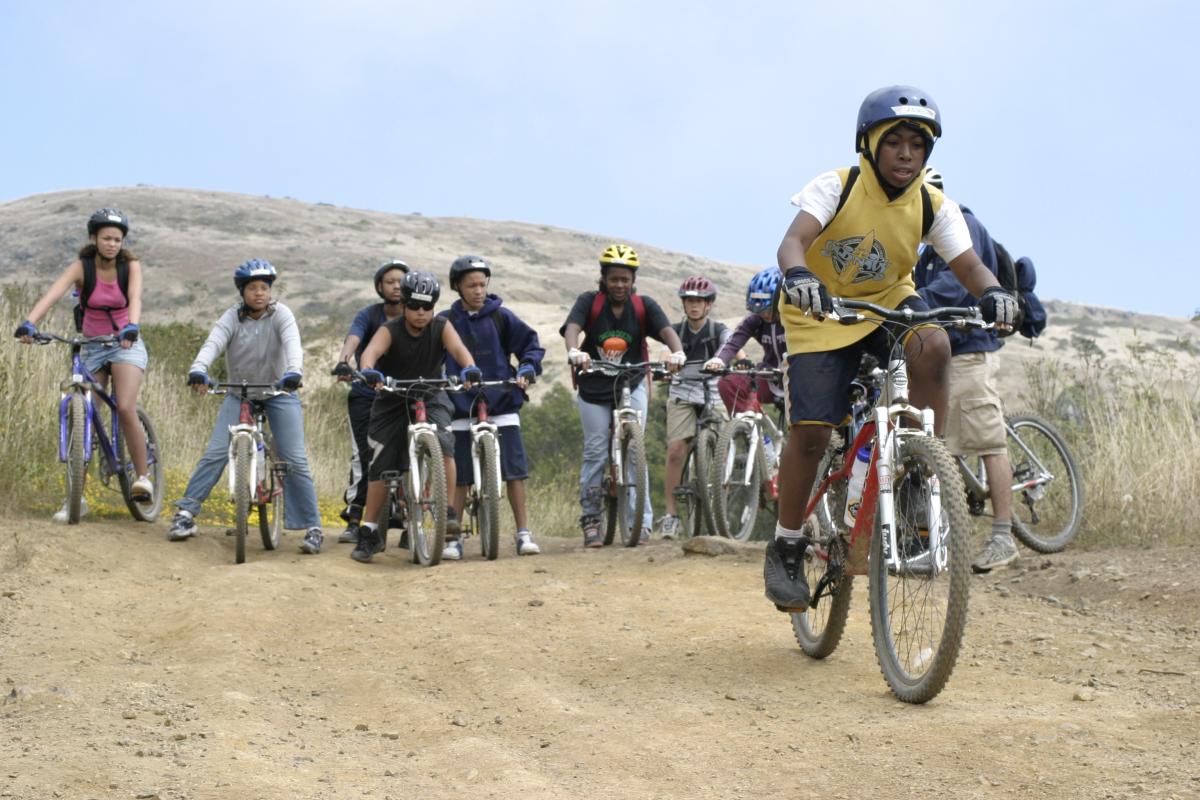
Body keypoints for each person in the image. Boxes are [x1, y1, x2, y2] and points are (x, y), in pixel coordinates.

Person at [765, 85, 1019, 611]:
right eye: (895, 142)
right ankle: (787, 544)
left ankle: (913, 469)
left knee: (934, 344)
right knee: (811, 434)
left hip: (887, 302)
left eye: (918, 146)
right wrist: (797, 275)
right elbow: (792, 243)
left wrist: (993, 291)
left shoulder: (931, 202)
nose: (907, 154)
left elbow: (968, 265)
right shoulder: (837, 185)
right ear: (870, 142)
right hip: (821, 312)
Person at [166, 259, 326, 555]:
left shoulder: (282, 315)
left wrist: (294, 373)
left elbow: (293, 346)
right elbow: (212, 344)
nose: (259, 293)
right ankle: (186, 514)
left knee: (293, 457)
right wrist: (198, 369)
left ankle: (313, 527)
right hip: (239, 393)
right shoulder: (231, 318)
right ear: (242, 292)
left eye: (264, 287)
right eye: (253, 288)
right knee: (216, 452)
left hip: (279, 392)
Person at [15, 208, 153, 521]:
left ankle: (143, 477)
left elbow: (136, 298)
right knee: (83, 417)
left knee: (126, 407)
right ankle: (75, 497)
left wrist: (132, 325)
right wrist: (29, 323)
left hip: (125, 343)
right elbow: (53, 294)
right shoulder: (82, 267)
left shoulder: (130, 266)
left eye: (117, 239)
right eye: (106, 238)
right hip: (91, 346)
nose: (112, 244)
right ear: (94, 238)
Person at [914, 167, 1019, 573]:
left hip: (970, 349)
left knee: (986, 439)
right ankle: (937, 537)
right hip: (939, 355)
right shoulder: (924, 247)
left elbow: (958, 286)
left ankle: (1002, 535)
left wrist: (908, 298)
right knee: (937, 440)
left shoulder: (962, 226)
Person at [350, 271, 481, 564]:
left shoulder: (441, 326)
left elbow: (459, 350)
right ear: (405, 304)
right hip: (392, 398)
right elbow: (369, 353)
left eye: (427, 306)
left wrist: (469, 367)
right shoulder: (390, 329)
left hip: (432, 394)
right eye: (414, 306)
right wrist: (370, 370)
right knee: (381, 462)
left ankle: (447, 514)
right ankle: (370, 531)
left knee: (446, 444)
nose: (421, 313)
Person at [560, 243, 686, 548]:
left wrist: (678, 352)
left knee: (635, 451)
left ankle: (640, 523)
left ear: (633, 280)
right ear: (603, 278)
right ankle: (591, 518)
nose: (620, 284)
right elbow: (572, 328)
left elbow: (667, 331)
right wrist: (574, 351)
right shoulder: (590, 302)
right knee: (595, 448)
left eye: (625, 279)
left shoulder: (643, 306)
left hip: (632, 381)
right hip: (594, 385)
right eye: (614, 278)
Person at [441, 255, 546, 557]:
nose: (478, 291)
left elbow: (530, 346)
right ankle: (454, 538)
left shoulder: (502, 317)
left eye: (482, 284)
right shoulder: (446, 321)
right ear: (457, 287)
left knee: (515, 471)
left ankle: (523, 533)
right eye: (471, 285)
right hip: (461, 404)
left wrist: (527, 368)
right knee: (460, 474)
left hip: (501, 399)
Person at [331, 259, 409, 545]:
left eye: (401, 280)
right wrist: (343, 361)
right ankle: (355, 517)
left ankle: (408, 519)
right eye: (390, 281)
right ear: (379, 286)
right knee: (365, 455)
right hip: (367, 396)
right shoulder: (369, 314)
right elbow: (354, 337)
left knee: (409, 454)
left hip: (404, 394)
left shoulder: (416, 315)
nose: (396, 286)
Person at [658, 276, 731, 538]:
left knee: (724, 448)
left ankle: (720, 506)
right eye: (689, 300)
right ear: (684, 304)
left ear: (709, 304)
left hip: (713, 395)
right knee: (676, 449)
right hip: (683, 393)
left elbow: (732, 347)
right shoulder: (675, 331)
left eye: (699, 301)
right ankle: (671, 515)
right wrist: (667, 362)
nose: (694, 305)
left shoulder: (717, 330)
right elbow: (665, 353)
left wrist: (734, 361)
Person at [706, 266, 788, 417]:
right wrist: (719, 360)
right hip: (768, 374)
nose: (763, 314)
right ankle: (747, 427)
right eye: (759, 310)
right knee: (728, 382)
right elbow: (734, 342)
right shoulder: (755, 319)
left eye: (768, 309)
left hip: (796, 377)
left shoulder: (796, 318)